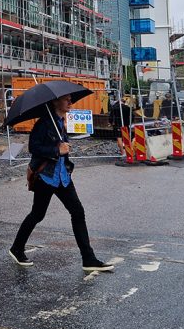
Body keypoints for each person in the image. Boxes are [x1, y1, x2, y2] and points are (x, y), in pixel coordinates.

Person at [8, 93, 114, 273]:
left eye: (70, 99)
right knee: (37, 214)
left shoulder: (59, 122)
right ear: (56, 102)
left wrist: (62, 148)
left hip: (62, 176)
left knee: (78, 212)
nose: (70, 102)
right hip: (46, 177)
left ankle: (88, 258)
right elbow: (34, 148)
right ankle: (16, 248)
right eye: (67, 100)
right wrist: (57, 150)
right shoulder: (43, 123)